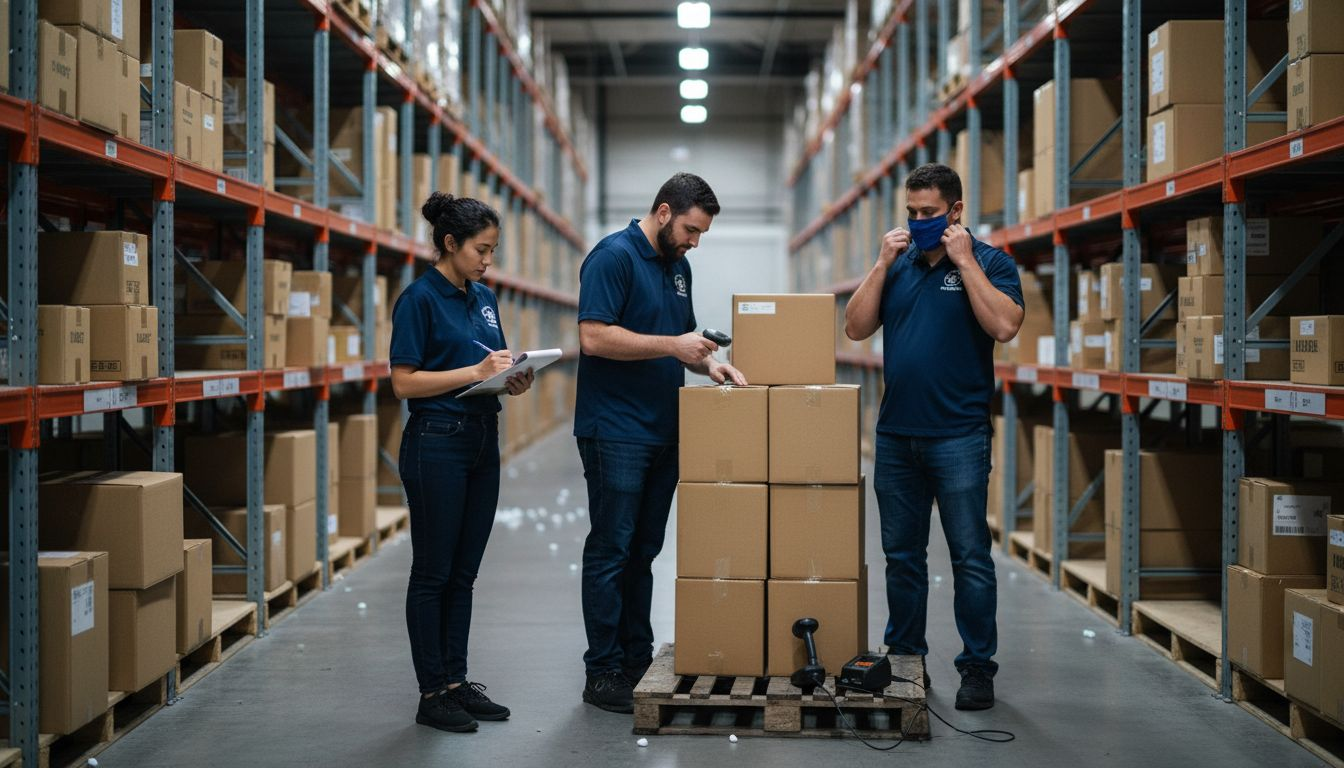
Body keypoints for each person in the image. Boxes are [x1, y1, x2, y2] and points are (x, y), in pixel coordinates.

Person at [843, 163, 1024, 711]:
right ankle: (905, 658)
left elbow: (1005, 326)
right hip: (897, 437)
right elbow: (854, 326)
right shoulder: (896, 267)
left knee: (970, 556)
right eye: (912, 213)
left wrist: (965, 261)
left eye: (930, 213)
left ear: (956, 212)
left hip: (959, 438)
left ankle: (976, 669)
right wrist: (880, 263)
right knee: (903, 557)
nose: (920, 222)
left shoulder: (991, 262)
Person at [573, 173, 747, 713]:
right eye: (692, 230)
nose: (696, 242)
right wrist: (674, 344)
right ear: (666, 211)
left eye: (702, 234)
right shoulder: (613, 257)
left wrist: (712, 365)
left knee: (644, 551)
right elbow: (593, 336)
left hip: (663, 430)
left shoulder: (679, 269)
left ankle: (634, 657)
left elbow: (681, 347)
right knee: (611, 550)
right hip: (616, 431)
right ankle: (602, 672)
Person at [390, 192, 535, 733]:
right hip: (436, 442)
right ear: (449, 244)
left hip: (480, 437)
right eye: (480, 249)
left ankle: (456, 680)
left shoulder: (485, 298)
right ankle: (432, 692)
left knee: (465, 573)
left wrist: (511, 377)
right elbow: (403, 381)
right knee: (433, 571)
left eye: (493, 250)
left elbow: (484, 365)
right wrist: (474, 372)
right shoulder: (419, 300)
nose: (487, 260)